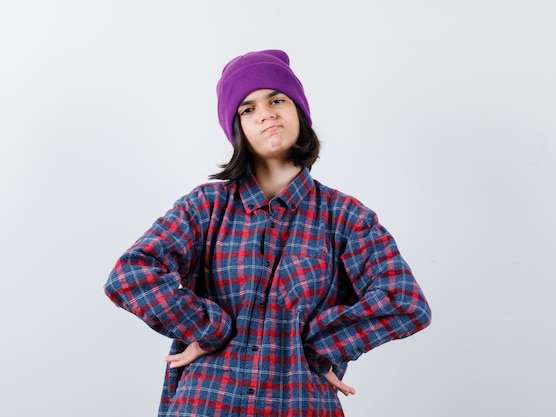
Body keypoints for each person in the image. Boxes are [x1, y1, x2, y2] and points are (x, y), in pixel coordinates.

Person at [104, 49, 432, 417]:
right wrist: (206, 327)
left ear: (299, 112)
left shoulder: (346, 218)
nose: (266, 113)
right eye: (248, 108)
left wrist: (323, 345)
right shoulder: (206, 206)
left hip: (300, 404)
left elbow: (405, 302)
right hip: (207, 403)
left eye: (277, 99)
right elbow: (131, 275)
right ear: (237, 128)